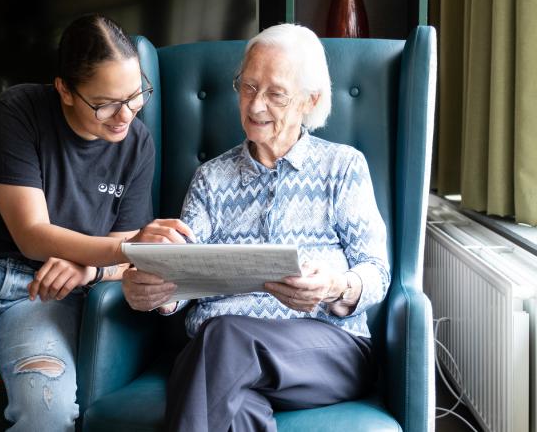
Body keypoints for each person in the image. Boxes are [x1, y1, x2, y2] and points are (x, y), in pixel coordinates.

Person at [0, 14, 192, 432]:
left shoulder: (136, 144)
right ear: (65, 90)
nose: (125, 115)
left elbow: (118, 262)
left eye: (136, 96)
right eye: (105, 103)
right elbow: (33, 235)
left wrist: (91, 268)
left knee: (50, 412)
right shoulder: (19, 110)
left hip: (45, 295)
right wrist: (129, 248)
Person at [121, 23, 390, 432]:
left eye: (275, 94)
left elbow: (377, 271)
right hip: (221, 362)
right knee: (233, 401)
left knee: (220, 341)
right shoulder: (211, 179)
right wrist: (157, 292)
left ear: (310, 101)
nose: (255, 105)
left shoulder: (343, 167)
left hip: (326, 350)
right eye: (247, 87)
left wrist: (336, 284)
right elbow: (181, 271)